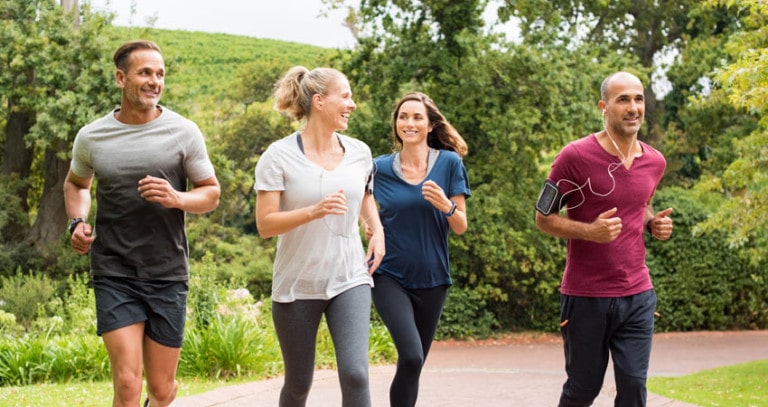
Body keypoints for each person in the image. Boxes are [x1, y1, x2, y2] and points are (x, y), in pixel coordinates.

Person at [63, 40, 221, 407]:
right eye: (145, 73)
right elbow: (76, 184)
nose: (154, 81)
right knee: (127, 382)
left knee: (162, 390)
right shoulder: (92, 136)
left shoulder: (183, 131)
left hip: (167, 271)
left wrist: (177, 198)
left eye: (160, 74)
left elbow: (211, 192)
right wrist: (77, 221)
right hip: (114, 269)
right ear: (121, 78)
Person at [534, 71, 674, 407]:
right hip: (586, 297)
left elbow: (640, 204)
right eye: (623, 99)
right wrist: (589, 231)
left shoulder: (655, 162)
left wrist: (652, 223)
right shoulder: (574, 157)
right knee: (583, 390)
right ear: (603, 107)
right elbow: (543, 217)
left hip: (638, 294)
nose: (633, 107)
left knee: (634, 387)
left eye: (638, 99)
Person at [254, 66, 385, 407]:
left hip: (349, 277)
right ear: (319, 101)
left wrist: (377, 229)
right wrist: (314, 210)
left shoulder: (360, 152)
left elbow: (365, 195)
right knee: (299, 384)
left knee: (356, 374)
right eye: (345, 96)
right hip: (297, 284)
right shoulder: (278, 156)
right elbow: (265, 224)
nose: (352, 104)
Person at [369, 92, 470, 407]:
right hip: (388, 275)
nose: (409, 123)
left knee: (413, 365)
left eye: (416, 117)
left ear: (430, 125)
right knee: (411, 355)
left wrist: (446, 205)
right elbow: (362, 203)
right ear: (396, 124)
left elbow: (461, 225)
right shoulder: (378, 168)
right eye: (403, 117)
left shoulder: (450, 163)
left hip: (433, 278)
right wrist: (371, 227)